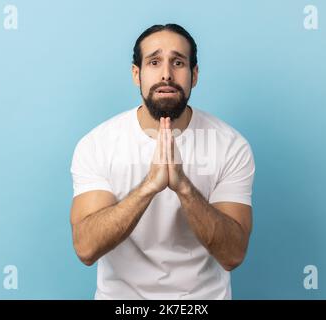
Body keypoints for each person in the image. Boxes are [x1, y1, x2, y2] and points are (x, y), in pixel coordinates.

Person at [70, 23, 255, 299]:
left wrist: (182, 186)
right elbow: (86, 248)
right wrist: (149, 187)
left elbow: (233, 254)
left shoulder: (230, 145)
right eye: (154, 62)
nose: (166, 74)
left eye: (178, 62)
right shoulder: (97, 144)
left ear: (194, 75)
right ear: (137, 74)